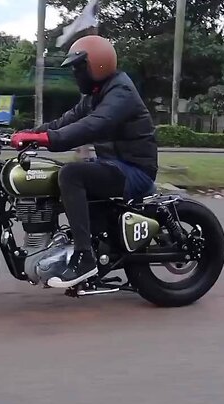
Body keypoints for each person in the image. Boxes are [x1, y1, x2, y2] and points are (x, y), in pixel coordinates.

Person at [10, 35, 158, 288]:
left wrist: (48, 139)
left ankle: (84, 257)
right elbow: (66, 121)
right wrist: (30, 134)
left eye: (79, 67)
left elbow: (93, 125)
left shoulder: (120, 91)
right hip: (114, 166)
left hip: (135, 170)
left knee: (71, 174)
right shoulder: (94, 95)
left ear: (97, 65)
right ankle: (80, 243)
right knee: (60, 175)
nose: (76, 74)